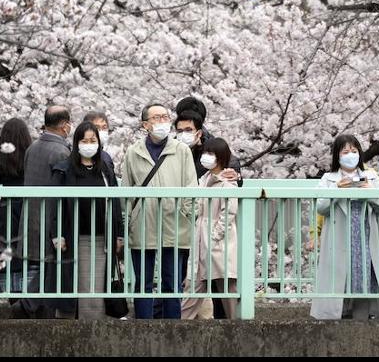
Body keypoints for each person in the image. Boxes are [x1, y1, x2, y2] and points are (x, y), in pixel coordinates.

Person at [122, 103, 199, 319]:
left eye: (165, 116)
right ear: (145, 124)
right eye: (156, 118)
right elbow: (126, 191)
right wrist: (128, 221)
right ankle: (143, 327)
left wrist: (186, 215)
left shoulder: (181, 150)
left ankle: (173, 330)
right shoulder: (133, 152)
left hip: (175, 223)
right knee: (143, 282)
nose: (162, 121)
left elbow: (191, 187)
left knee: (172, 282)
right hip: (143, 223)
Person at [47, 122, 123, 319]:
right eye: (84, 140)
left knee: (95, 288)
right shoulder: (64, 169)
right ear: (76, 142)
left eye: (93, 140)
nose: (89, 144)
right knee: (70, 286)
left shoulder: (105, 169)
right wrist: (56, 234)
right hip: (73, 236)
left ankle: (93, 330)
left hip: (100, 237)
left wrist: (118, 234)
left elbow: (115, 202)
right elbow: (54, 205)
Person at [310, 134, 379, 320]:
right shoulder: (328, 178)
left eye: (354, 151)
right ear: (337, 155)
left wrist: (370, 192)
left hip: (365, 232)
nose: (350, 155)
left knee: (364, 273)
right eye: (345, 151)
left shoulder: (371, 176)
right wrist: (337, 189)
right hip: (339, 235)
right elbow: (320, 207)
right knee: (338, 275)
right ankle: (339, 314)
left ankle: (362, 315)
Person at [16, 105, 72, 319]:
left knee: (45, 269)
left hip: (32, 218)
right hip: (51, 223)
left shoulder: (33, 148)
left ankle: (28, 304)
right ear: (65, 125)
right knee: (51, 271)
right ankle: (27, 304)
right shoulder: (61, 151)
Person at [184, 138, 240, 319]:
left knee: (225, 285)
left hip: (217, 241)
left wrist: (215, 235)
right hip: (201, 236)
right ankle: (180, 322)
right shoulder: (204, 179)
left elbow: (229, 212)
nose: (206, 157)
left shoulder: (227, 182)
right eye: (205, 152)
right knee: (195, 283)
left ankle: (236, 324)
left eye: (211, 153)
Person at [0, 117, 32, 296]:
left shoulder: (2, 155)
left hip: (7, 205)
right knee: (26, 243)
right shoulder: (30, 155)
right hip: (26, 203)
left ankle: (8, 288)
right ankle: (28, 286)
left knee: (7, 245)